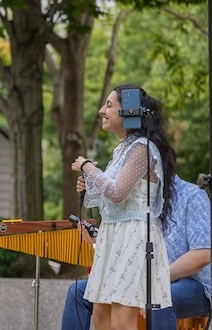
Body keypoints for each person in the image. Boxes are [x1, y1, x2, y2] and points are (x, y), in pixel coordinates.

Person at [69, 84, 178, 330]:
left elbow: (118, 193)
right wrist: (90, 185)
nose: (101, 111)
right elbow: (109, 193)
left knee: (121, 321)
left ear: (129, 112)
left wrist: (88, 167)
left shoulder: (142, 147)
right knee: (100, 317)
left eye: (109, 105)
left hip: (134, 236)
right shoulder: (122, 149)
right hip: (114, 235)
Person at [61, 175, 211, 329]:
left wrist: (153, 282)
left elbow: (203, 254)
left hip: (194, 284)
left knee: (158, 298)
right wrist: (102, 238)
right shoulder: (141, 198)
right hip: (143, 278)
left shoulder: (193, 196)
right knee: (78, 291)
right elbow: (132, 244)